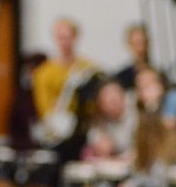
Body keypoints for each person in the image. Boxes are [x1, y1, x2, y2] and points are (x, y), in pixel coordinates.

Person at [31, 18, 100, 160]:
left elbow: (96, 103)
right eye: (60, 37)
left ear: (75, 37)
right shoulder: (43, 73)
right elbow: (44, 109)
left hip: (84, 133)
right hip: (57, 136)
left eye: (68, 37)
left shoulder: (89, 68)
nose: (65, 42)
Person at [134, 67, 176, 153]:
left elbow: (163, 133)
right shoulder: (145, 107)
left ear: (161, 84)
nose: (145, 91)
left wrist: (151, 106)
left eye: (149, 85)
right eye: (141, 87)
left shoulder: (175, 98)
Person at [82, 79, 137, 162]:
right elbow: (94, 137)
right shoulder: (99, 120)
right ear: (100, 103)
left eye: (115, 93)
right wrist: (98, 143)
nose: (113, 99)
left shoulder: (137, 110)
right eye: (106, 96)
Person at [113, 23, 150, 91]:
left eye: (143, 42)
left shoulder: (158, 73)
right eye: (136, 43)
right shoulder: (121, 78)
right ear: (129, 45)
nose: (140, 48)